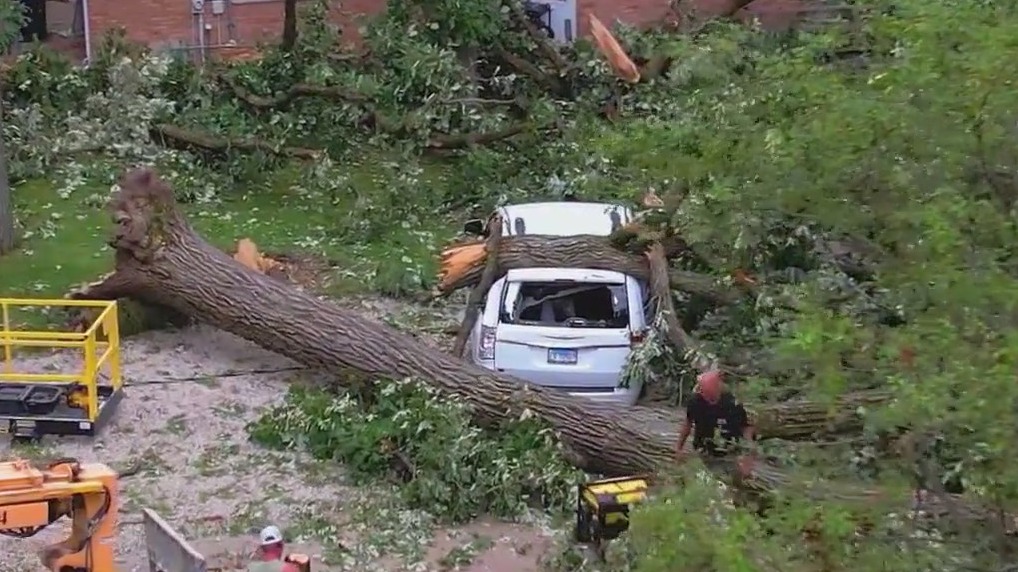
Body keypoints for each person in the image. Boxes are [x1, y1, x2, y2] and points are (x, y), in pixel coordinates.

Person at [676, 369, 756, 476]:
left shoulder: (732, 404)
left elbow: (746, 428)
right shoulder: (695, 402)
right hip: (703, 449)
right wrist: (679, 448)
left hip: (729, 451)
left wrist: (748, 455)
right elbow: (688, 423)